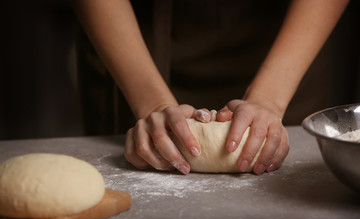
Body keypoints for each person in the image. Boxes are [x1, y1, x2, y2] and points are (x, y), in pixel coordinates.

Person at [72, 0, 349, 175]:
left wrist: (269, 100)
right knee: (150, 146)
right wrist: (152, 105)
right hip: (133, 42)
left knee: (270, 147)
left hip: (284, 37)